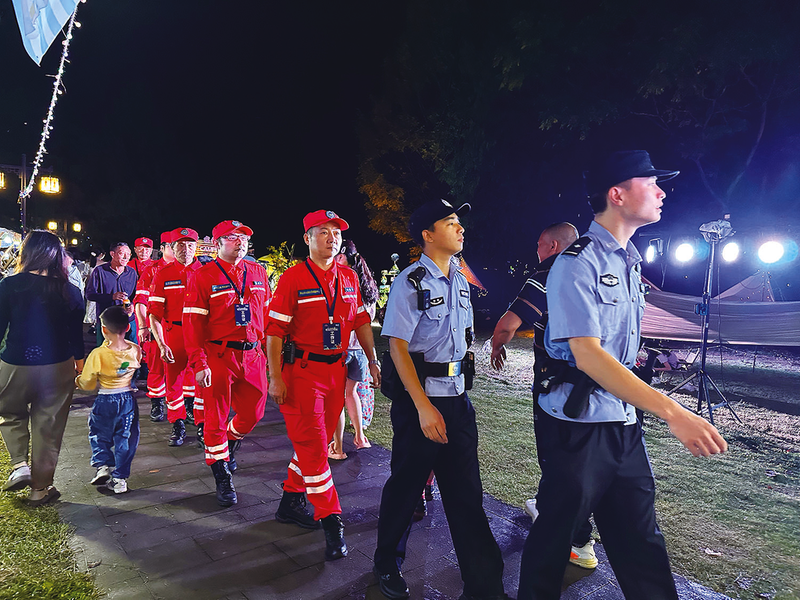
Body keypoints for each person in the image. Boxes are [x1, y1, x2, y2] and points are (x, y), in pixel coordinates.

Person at [518, 150, 728, 600]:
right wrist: (674, 412)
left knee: (641, 543)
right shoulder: (577, 262)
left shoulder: (628, 262)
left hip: (623, 422)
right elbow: (590, 357)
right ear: (617, 194)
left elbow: (620, 352)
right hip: (578, 429)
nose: (661, 192)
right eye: (651, 183)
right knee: (553, 541)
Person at [374, 199, 508, 600]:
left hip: (457, 401)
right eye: (450, 223)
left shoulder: (460, 280)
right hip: (421, 404)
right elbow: (397, 346)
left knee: (467, 495)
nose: (460, 228)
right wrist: (422, 406)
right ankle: (386, 563)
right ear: (428, 235)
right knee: (406, 488)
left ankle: (484, 586)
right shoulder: (411, 281)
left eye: (459, 222)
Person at [266, 210, 380, 562]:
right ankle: (331, 519)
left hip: (337, 372)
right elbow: (274, 331)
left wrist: (373, 359)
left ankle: (290, 501)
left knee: (315, 441)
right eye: (324, 232)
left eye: (337, 233)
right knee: (316, 449)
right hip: (301, 373)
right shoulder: (293, 278)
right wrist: (275, 376)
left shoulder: (348, 277)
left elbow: (360, 319)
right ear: (308, 238)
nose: (332, 238)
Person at [490, 222, 599, 569]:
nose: (536, 251)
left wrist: (496, 344)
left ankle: (578, 540)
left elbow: (508, 324)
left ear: (552, 246)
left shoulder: (551, 272)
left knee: (558, 458)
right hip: (597, 384)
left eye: (539, 245)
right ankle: (547, 504)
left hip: (558, 384)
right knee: (579, 456)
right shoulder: (596, 272)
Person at [184, 220, 272, 507]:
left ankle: (230, 442)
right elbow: (193, 324)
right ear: (218, 243)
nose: (240, 242)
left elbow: (267, 316)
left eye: (244, 237)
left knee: (254, 413)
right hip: (219, 356)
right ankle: (221, 474)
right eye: (233, 237)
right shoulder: (203, 275)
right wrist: (199, 363)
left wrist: (270, 355)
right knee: (215, 418)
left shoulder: (258, 272)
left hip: (253, 355)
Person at [0, 230, 85, 506]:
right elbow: (76, 335)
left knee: (9, 412)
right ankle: (40, 489)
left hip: (16, 362)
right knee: (49, 425)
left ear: (26, 253)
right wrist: (80, 365)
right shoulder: (70, 291)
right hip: (59, 365)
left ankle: (19, 465)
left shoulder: (8, 285)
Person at [76, 306, 142, 494]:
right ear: (127, 328)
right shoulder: (135, 350)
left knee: (99, 433)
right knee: (126, 438)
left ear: (103, 329)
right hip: (128, 400)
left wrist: (78, 380)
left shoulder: (98, 354)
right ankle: (120, 479)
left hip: (105, 399)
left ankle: (103, 465)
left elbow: (88, 384)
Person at [149, 228, 204, 447]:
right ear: (171, 248)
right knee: (173, 382)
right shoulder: (163, 274)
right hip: (174, 334)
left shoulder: (207, 272)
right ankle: (177, 423)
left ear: (196, 247)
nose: (186, 249)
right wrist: (162, 344)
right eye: (180, 245)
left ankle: (202, 424)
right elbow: (154, 313)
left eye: (190, 245)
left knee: (203, 381)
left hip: (200, 335)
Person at [328, 239, 379, 460]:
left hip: (341, 349)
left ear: (343, 258)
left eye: (337, 257)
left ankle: (338, 447)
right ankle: (360, 437)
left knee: (336, 398)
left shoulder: (342, 281)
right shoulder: (368, 287)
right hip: (359, 350)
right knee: (351, 393)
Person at [135, 232, 175, 422]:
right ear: (163, 248)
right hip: (156, 325)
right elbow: (141, 300)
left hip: (181, 328)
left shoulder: (193, 268)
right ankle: (157, 403)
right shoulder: (152, 270)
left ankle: (184, 407)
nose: (178, 250)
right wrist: (143, 326)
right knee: (157, 367)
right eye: (173, 246)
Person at [86, 242, 138, 347]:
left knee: (131, 349)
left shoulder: (132, 273)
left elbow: (135, 295)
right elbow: (89, 295)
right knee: (105, 350)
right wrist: (111, 297)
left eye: (128, 254)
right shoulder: (100, 271)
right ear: (112, 254)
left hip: (128, 319)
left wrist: (133, 305)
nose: (126, 257)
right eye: (122, 253)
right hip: (107, 320)